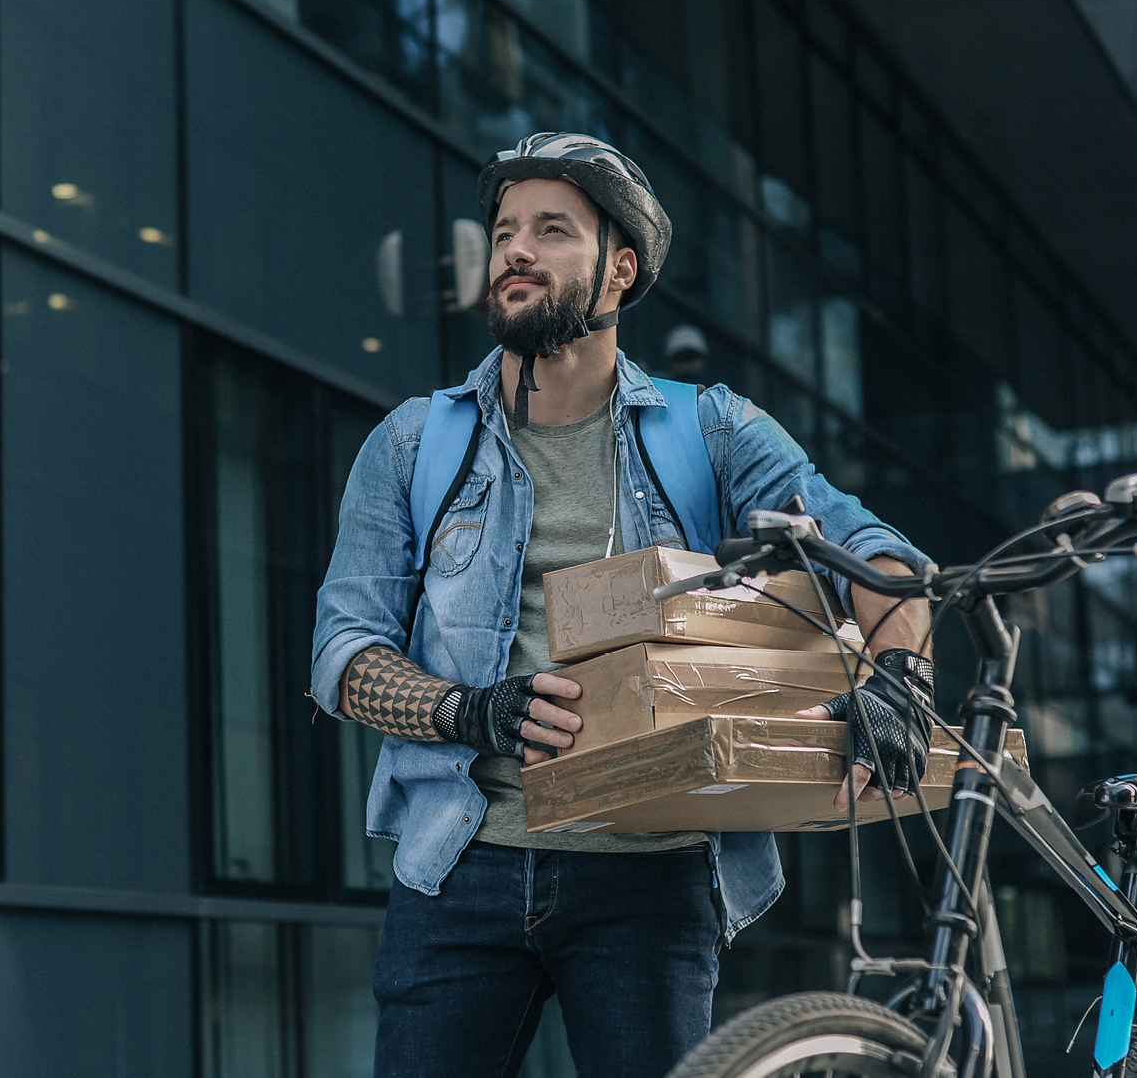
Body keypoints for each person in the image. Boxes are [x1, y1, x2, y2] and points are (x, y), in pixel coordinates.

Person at [311, 132, 936, 1078]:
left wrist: (899, 678)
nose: (515, 249)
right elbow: (340, 648)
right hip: (462, 862)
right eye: (505, 230)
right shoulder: (411, 444)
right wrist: (467, 709)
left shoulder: (711, 428)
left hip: (654, 865)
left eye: (552, 230)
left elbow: (880, 555)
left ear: (620, 270)